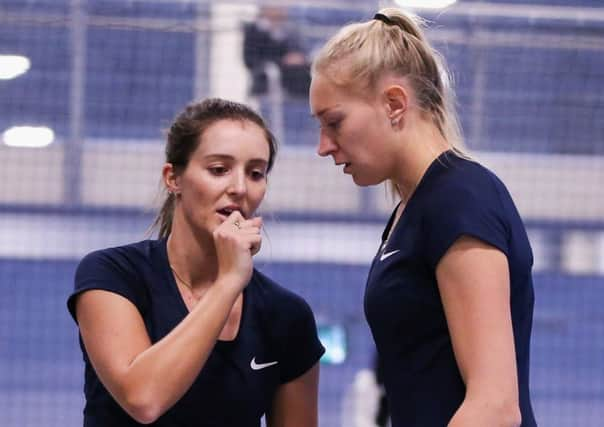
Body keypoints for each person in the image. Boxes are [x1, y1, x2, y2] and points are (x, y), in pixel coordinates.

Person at [309, 8, 536, 427]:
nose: (324, 146)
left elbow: (495, 407)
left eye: (334, 123)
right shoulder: (413, 210)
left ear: (394, 103)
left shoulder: (460, 199)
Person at [67, 98, 325, 426]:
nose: (240, 188)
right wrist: (229, 282)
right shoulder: (113, 275)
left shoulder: (285, 315)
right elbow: (143, 398)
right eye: (219, 170)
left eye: (256, 173)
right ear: (173, 178)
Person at [243, 6, 311, 98]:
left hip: (290, 73)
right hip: (266, 76)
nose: (283, 9)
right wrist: (282, 60)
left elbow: (297, 51)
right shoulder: (254, 29)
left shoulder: (288, 29)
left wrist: (299, 58)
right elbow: (250, 60)